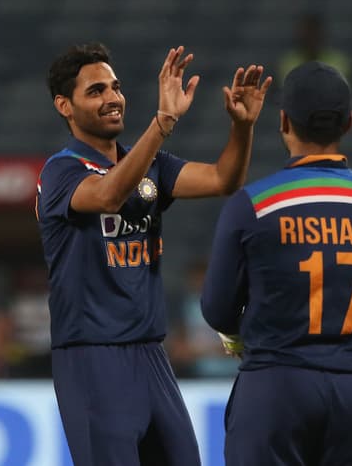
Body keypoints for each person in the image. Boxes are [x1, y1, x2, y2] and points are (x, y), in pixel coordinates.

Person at [35, 42, 271, 466]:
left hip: (150, 353)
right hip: (92, 356)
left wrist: (242, 127)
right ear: (64, 106)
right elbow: (108, 196)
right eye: (96, 91)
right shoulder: (61, 171)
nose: (112, 98)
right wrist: (163, 122)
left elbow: (224, 180)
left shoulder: (151, 165)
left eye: (116, 87)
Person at [201, 61, 352, 466]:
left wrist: (241, 334)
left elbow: (217, 308)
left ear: (283, 121)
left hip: (276, 386)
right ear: (348, 122)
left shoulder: (253, 205)